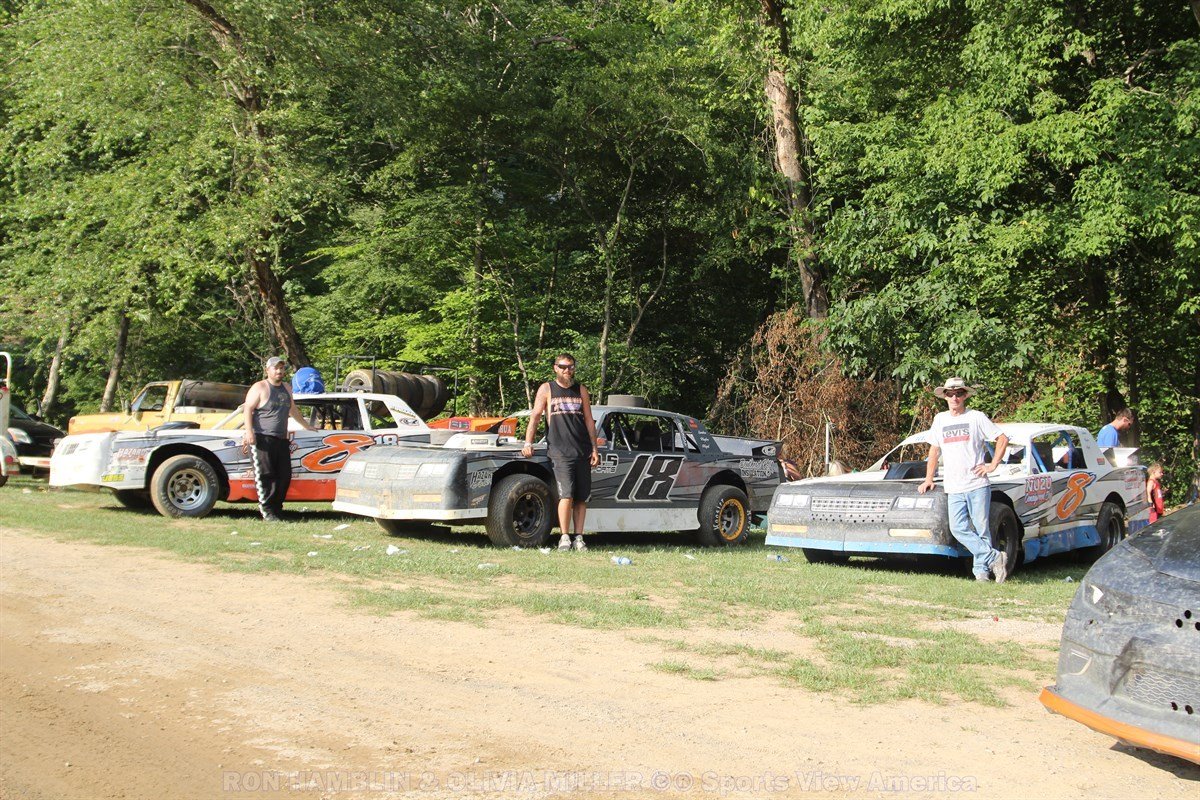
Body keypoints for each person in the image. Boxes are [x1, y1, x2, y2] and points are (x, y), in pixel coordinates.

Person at [918, 377, 1011, 583]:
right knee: (958, 528)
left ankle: (981, 573)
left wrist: (992, 465)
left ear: (965, 395)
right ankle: (995, 557)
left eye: (959, 393)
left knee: (981, 529)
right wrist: (928, 478)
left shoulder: (976, 417)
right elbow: (934, 450)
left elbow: (1002, 438)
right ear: (944, 396)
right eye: (950, 394)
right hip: (953, 486)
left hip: (977, 484)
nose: (955, 398)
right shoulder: (940, 419)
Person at [521, 354, 600, 551]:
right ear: (555, 368)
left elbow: (589, 420)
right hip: (559, 451)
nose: (567, 370)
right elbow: (535, 416)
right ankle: (564, 537)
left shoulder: (581, 390)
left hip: (582, 450)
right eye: (563, 367)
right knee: (566, 495)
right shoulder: (547, 389)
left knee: (581, 497)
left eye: (571, 367)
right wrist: (528, 442)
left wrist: (594, 448)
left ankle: (579, 538)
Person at [243, 357, 315, 522]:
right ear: (267, 370)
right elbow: (248, 409)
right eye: (276, 368)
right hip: (262, 438)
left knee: (284, 476)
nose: (279, 371)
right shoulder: (260, 387)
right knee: (266, 475)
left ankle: (277, 509)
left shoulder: (287, 388)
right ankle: (267, 511)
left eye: (282, 368)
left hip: (281, 439)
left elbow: (292, 409)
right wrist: (249, 432)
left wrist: (306, 425)